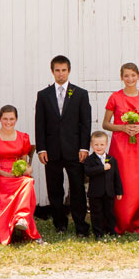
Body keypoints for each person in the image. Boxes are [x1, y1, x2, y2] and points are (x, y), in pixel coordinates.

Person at [34, 55, 91, 236]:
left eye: (64, 70)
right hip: (52, 151)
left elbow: (85, 123)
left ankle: (81, 224)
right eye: (57, 70)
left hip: (74, 150)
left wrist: (84, 147)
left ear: (69, 71)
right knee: (55, 189)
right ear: (52, 71)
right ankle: (60, 224)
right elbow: (40, 123)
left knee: (77, 188)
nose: (60, 74)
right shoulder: (43, 95)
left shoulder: (80, 93)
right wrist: (41, 148)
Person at [102, 63, 139, 233]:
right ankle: (120, 221)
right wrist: (122, 127)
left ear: (138, 76)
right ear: (122, 77)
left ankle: (137, 221)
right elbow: (106, 124)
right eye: (126, 76)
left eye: (133, 75)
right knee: (121, 180)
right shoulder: (115, 97)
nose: (130, 79)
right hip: (120, 144)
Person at [0, 105, 41, 244]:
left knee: (28, 182)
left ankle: (21, 218)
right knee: (5, 186)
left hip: (17, 173)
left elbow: (24, 161)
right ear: (0, 119)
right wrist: (5, 173)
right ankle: (6, 228)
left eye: (12, 119)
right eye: (5, 118)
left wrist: (27, 169)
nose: (8, 122)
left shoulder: (22, 137)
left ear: (16, 119)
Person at [84, 131, 123, 240]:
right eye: (96, 145)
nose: (99, 147)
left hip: (109, 192)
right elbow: (88, 171)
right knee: (96, 214)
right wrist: (102, 168)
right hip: (95, 193)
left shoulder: (112, 160)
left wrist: (119, 191)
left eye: (101, 144)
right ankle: (98, 232)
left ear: (106, 145)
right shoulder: (89, 160)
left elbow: (117, 177)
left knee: (110, 213)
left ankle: (111, 230)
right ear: (92, 145)